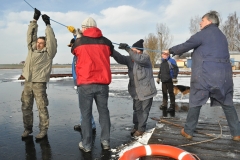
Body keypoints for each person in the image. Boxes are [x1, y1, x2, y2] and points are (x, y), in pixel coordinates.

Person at [163, 11, 240, 141]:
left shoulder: (204, 34)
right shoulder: (222, 36)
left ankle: (188, 131)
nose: (200, 22)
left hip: (205, 75)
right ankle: (237, 133)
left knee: (195, 100)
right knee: (227, 103)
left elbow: (186, 45)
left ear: (209, 21)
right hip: (224, 77)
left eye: (202, 20)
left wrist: (170, 51)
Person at [71, 17, 114, 152]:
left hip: (85, 84)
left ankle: (87, 145)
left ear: (85, 28)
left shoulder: (79, 42)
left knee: (86, 114)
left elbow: (74, 50)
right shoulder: (107, 42)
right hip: (102, 84)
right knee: (104, 113)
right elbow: (111, 51)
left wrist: (78, 37)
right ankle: (105, 141)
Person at [21, 8, 57, 139]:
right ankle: (27, 128)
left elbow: (52, 41)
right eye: (38, 42)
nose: (39, 44)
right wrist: (34, 20)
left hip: (39, 83)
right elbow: (30, 35)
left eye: (42, 43)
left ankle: (43, 130)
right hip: (28, 81)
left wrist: (48, 25)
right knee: (26, 106)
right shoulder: (31, 49)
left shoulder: (48, 53)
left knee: (41, 107)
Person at [112, 39, 157, 137]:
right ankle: (136, 126)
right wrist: (112, 50)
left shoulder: (145, 58)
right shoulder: (130, 59)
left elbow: (138, 59)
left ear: (139, 51)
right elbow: (120, 58)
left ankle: (141, 129)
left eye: (133, 50)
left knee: (144, 111)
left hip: (146, 91)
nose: (131, 52)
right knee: (136, 110)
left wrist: (128, 49)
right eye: (131, 51)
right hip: (135, 91)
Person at [67, 38, 96, 132]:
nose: (71, 48)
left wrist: (76, 36)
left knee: (85, 105)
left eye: (72, 46)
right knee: (83, 105)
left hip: (84, 83)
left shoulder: (81, 55)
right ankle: (85, 123)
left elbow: (81, 42)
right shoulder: (75, 56)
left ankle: (90, 125)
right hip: (79, 83)